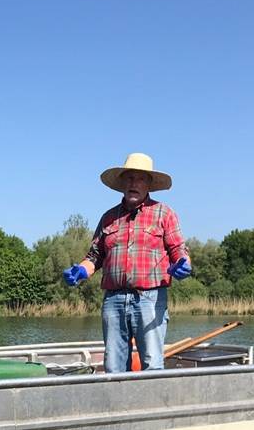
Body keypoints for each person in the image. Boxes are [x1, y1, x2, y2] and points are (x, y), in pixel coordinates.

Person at [63, 153, 192, 373]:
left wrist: (183, 263)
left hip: (150, 299)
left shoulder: (164, 213)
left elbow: (179, 250)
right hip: (113, 300)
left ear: (149, 184)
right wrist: (81, 270)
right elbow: (95, 256)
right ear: (123, 183)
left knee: (152, 363)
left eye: (140, 178)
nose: (134, 183)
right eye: (130, 178)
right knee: (113, 366)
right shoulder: (109, 217)